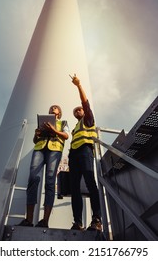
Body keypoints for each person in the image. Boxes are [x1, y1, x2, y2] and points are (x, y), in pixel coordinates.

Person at [18, 105, 69, 227]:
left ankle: (45, 221)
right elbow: (36, 140)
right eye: (51, 107)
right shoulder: (42, 122)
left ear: (59, 112)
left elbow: (66, 136)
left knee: (50, 182)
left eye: (55, 108)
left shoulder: (63, 123)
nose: (52, 108)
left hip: (54, 151)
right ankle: (29, 220)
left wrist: (54, 130)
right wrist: (37, 134)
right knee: (33, 179)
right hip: (39, 149)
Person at [68, 74, 102, 231]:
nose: (77, 111)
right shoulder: (76, 127)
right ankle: (78, 222)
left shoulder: (88, 120)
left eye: (79, 110)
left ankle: (97, 219)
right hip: (74, 155)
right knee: (74, 188)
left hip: (85, 152)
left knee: (90, 182)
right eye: (75, 111)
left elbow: (85, 103)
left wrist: (78, 85)